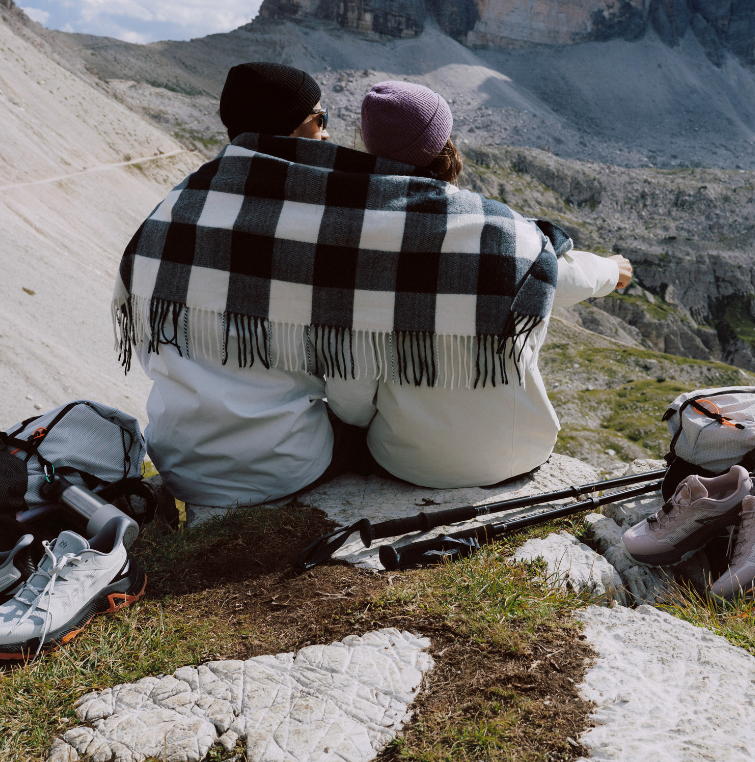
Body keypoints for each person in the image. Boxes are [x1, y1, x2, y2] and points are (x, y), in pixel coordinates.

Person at [321, 81, 631, 487]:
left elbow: (351, 394)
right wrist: (611, 269)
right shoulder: (507, 230)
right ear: (444, 142)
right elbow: (567, 276)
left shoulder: (355, 239)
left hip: (408, 461)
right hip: (523, 450)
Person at [128, 62, 334, 507]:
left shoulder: (170, 209)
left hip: (181, 466)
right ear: (289, 129)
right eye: (320, 118)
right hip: (285, 468)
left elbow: (144, 341)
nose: (326, 133)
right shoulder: (314, 222)